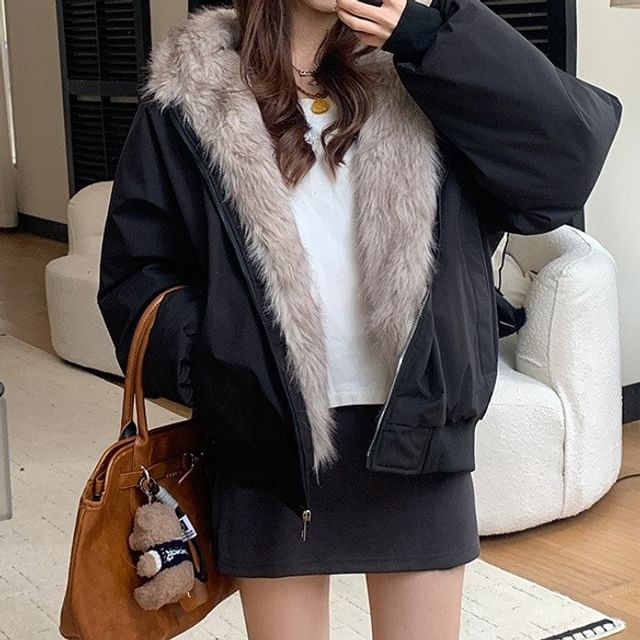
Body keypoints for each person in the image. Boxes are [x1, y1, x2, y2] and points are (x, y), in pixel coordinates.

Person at [97, 0, 622, 637]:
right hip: (270, 440)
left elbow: (569, 160)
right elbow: (136, 272)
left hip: (417, 431)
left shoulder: (432, 73)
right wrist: (223, 366)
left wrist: (429, 34)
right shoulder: (192, 92)